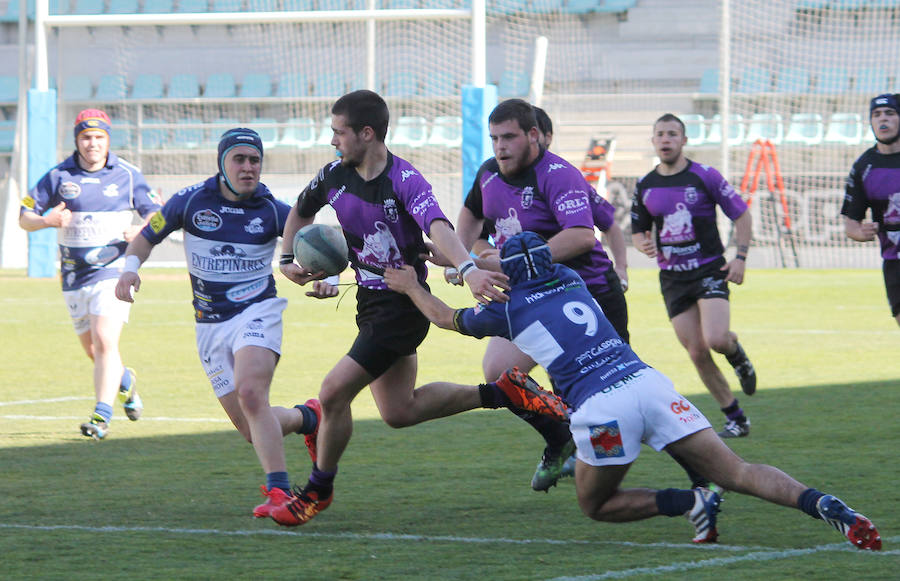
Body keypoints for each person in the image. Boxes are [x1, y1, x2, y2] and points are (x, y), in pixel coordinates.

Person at [384, 231, 882, 550]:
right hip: (648, 383)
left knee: (595, 504)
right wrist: (462, 265)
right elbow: (511, 266)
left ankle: (688, 503)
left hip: (603, 411)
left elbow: (445, 317)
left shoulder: (509, 309)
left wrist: (412, 284)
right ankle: (824, 504)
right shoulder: (570, 276)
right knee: (737, 470)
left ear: (507, 276)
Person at [272, 90, 562, 527]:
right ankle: (508, 391)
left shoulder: (405, 180)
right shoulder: (334, 175)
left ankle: (318, 490)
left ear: (366, 134)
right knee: (398, 411)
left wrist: (467, 268)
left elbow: (438, 225)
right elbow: (300, 211)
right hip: (370, 300)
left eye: (339, 132)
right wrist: (288, 261)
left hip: (402, 305)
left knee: (333, 393)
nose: (333, 141)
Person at [114, 128, 322, 518]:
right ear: (222, 164)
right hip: (209, 325)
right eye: (239, 159)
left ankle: (279, 493)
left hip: (257, 313)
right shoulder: (190, 200)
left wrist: (322, 276)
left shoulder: (275, 210)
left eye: (254, 160)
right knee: (250, 428)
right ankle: (309, 417)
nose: (248, 167)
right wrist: (129, 270)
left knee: (250, 392)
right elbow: (146, 237)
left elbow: (309, 250)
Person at [451, 98, 633, 492]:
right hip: (530, 299)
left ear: (534, 135)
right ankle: (559, 438)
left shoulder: (559, 174)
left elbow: (586, 234)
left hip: (586, 296)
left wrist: (515, 260)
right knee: (498, 373)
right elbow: (470, 215)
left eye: (509, 137)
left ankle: (614, 478)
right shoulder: (488, 175)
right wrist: (467, 256)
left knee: (605, 399)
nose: (500, 147)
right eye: (494, 138)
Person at [19, 109, 160, 439]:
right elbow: (24, 216)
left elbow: (158, 214)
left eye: (98, 137)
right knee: (94, 351)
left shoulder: (128, 175)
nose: (92, 143)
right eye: (86, 137)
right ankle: (126, 382)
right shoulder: (57, 176)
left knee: (105, 339)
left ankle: (101, 417)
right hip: (73, 277)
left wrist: (141, 229)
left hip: (113, 272)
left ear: (108, 140)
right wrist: (46, 221)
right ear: (77, 140)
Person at [631, 113, 757, 439]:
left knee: (716, 339)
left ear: (684, 140)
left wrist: (740, 257)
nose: (666, 139)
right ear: (653, 141)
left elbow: (741, 214)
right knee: (697, 352)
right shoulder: (646, 185)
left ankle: (736, 353)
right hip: (672, 278)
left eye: (672, 134)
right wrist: (642, 241)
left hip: (708, 270)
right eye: (660, 134)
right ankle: (736, 417)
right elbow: (638, 230)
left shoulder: (705, 176)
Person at [842, 93, 900, 326]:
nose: (882, 119)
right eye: (876, 115)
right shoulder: (864, 166)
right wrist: (860, 232)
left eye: (889, 113)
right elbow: (851, 224)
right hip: (894, 263)